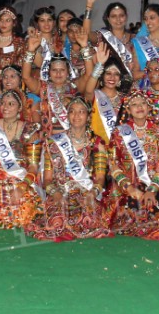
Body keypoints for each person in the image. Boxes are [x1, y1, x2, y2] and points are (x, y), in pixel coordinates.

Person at [29, 96, 110, 240]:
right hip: (60, 193)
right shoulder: (53, 142)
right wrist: (56, 194)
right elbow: (47, 179)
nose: (76, 115)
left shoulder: (97, 143)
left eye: (81, 112)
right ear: (67, 115)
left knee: (91, 218)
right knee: (57, 219)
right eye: (72, 111)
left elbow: (100, 178)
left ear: (88, 116)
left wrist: (92, 193)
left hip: (86, 192)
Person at [104, 89, 159, 238]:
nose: (139, 107)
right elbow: (113, 164)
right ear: (128, 109)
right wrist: (129, 188)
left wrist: (152, 189)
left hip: (154, 183)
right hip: (127, 185)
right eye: (134, 104)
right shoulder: (119, 133)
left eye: (142, 103)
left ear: (149, 107)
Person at [0, 90, 43, 228]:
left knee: (25, 210)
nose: (5, 107)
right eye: (3, 103)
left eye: (11, 104)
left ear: (20, 108)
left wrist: (22, 188)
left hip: (21, 180)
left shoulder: (30, 130)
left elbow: (33, 167)